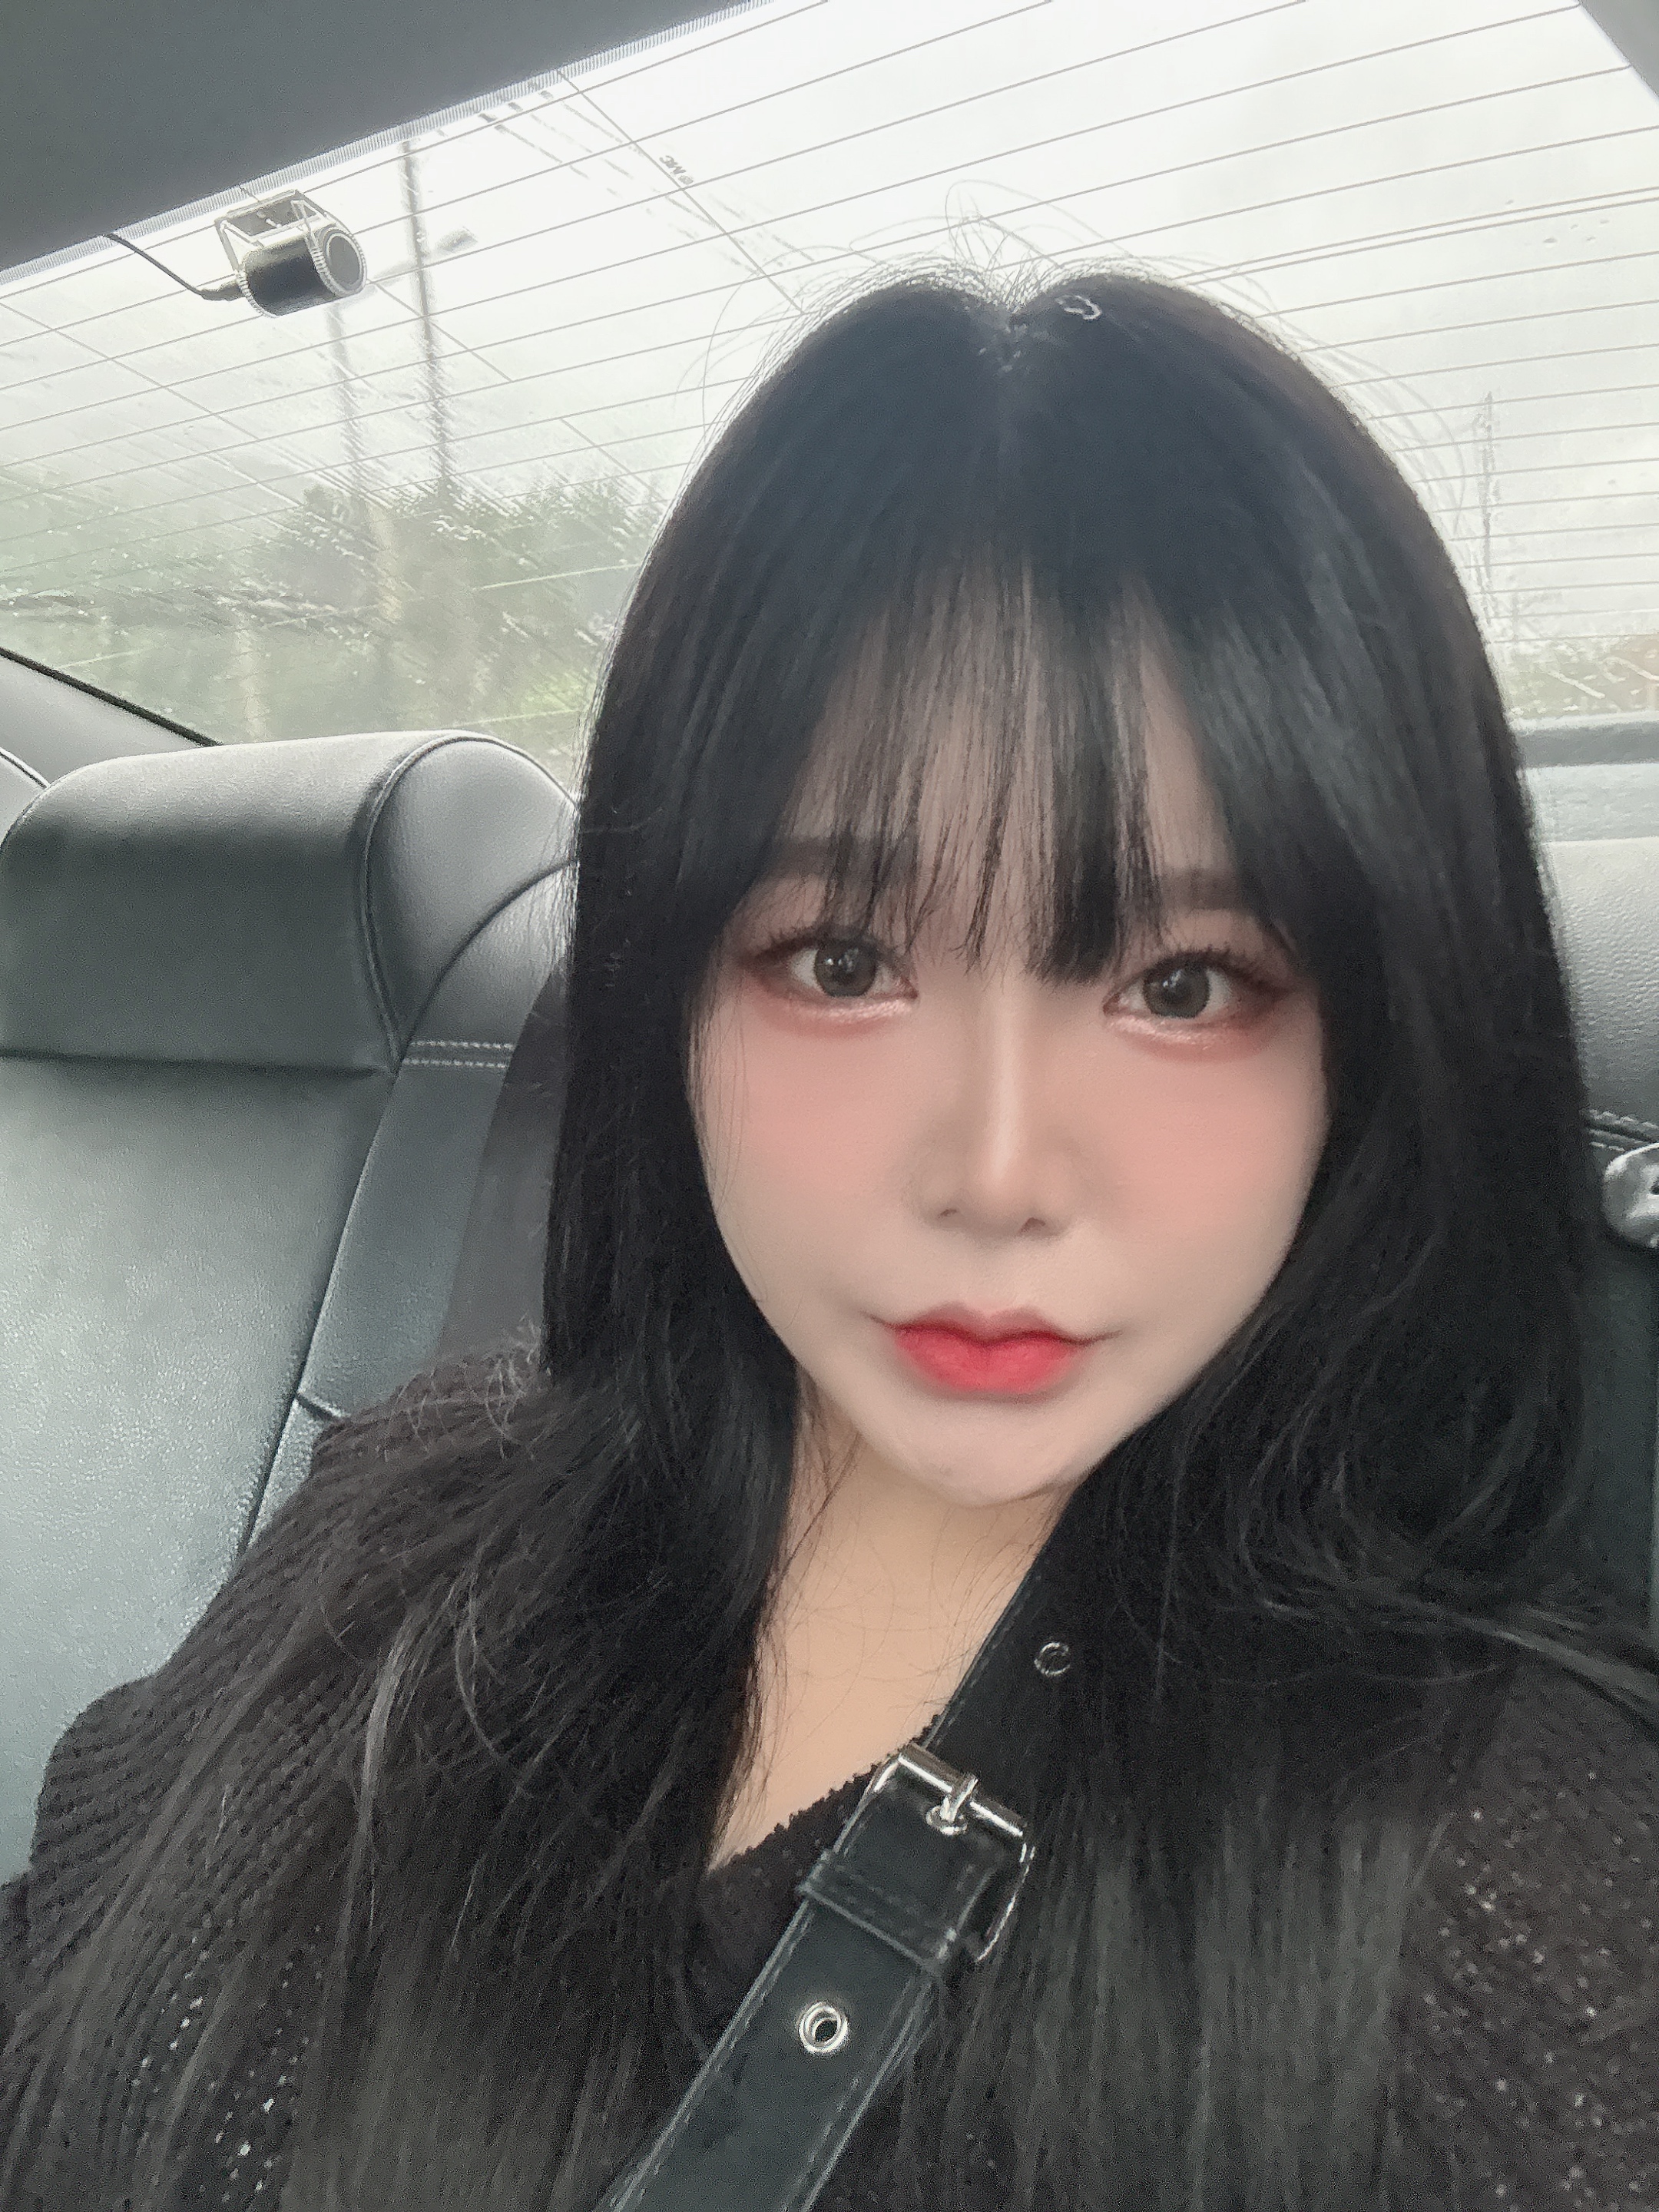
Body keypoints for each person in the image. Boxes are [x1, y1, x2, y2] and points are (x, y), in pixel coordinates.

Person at [3, 267, 1658, 2212]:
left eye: (1185, 983)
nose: (998, 1172)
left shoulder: (1513, 1910)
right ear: (670, 993)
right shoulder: (406, 1505)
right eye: (844, 962)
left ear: (1368, 1041)